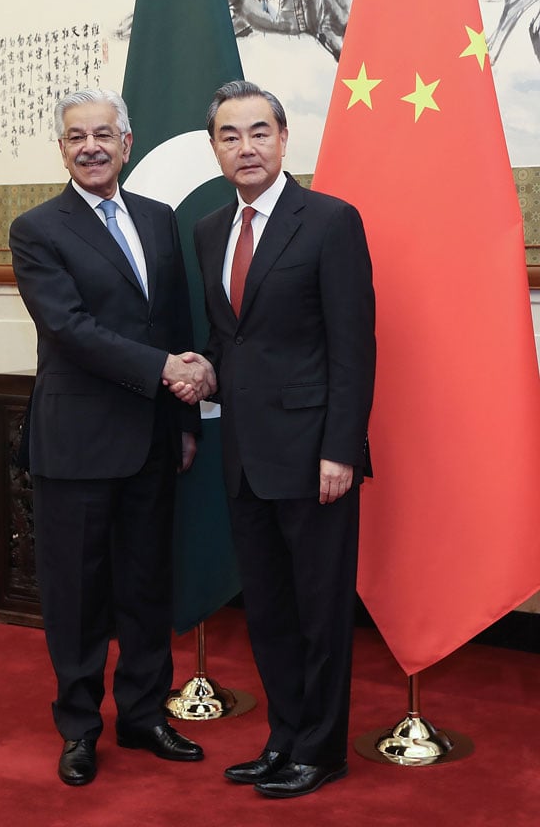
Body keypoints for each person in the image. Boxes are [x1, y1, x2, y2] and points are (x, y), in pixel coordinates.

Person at [172, 80, 375, 799]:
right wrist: (204, 373)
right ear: (215, 149)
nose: (246, 147)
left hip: (316, 458)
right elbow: (236, 345)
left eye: (259, 132)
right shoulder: (206, 232)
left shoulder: (329, 221)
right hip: (245, 460)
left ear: (284, 140)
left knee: (320, 611)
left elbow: (354, 348)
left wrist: (341, 450)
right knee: (269, 610)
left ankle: (322, 750)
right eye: (230, 135)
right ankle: (285, 737)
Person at [9, 88, 215, 787]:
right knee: (76, 595)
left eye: (103, 133)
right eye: (76, 137)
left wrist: (184, 418)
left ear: (127, 143)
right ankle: (78, 727)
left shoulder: (159, 220)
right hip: (77, 443)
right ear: (62, 150)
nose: (90, 146)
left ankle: (144, 715)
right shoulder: (36, 229)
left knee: (146, 584)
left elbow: (175, 321)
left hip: (153, 438)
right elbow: (69, 329)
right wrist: (167, 371)